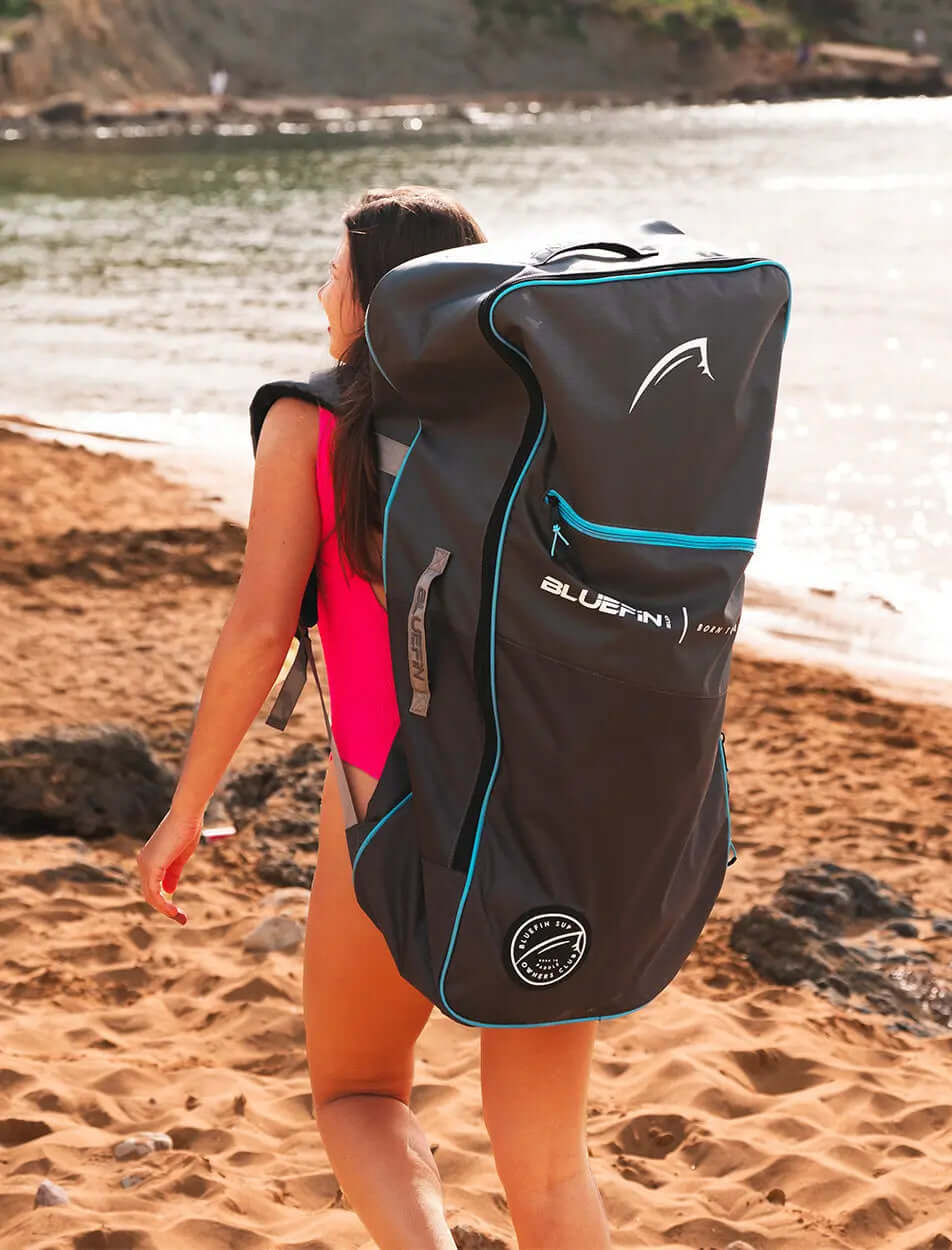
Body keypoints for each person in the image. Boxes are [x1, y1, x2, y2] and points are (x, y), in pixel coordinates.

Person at [134, 186, 613, 1250]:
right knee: (548, 1163)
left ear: (373, 295)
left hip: (388, 797)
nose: (323, 290)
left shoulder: (313, 419)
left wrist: (186, 804)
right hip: (553, 811)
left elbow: (262, 634)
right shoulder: (543, 408)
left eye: (336, 272)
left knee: (358, 1090)